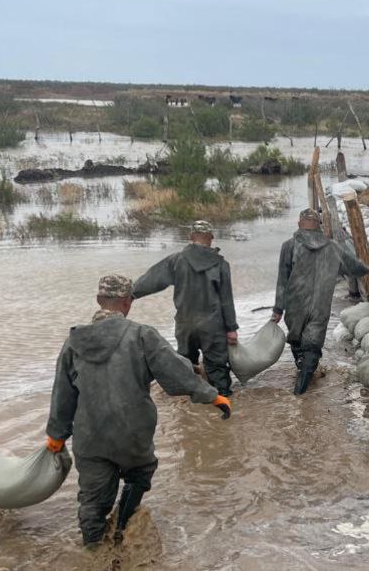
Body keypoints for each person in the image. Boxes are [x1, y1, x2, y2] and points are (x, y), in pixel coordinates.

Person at [45, 274, 233, 548]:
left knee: (93, 501)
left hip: (90, 439)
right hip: (132, 434)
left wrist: (56, 435)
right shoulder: (141, 335)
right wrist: (214, 396)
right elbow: (175, 370)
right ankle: (122, 525)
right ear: (128, 302)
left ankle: (94, 557)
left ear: (99, 300)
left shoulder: (74, 342)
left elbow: (62, 393)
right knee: (141, 472)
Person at [272, 207, 369, 395]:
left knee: (297, 340)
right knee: (313, 345)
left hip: (295, 305)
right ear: (318, 225)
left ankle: (301, 380)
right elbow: (354, 266)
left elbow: (282, 280)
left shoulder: (290, 245)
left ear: (299, 224)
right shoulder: (333, 247)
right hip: (320, 305)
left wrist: (278, 309)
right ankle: (302, 388)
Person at [132, 221, 238, 395]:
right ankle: (223, 402)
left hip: (185, 324)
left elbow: (153, 279)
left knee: (185, 364)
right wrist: (231, 329)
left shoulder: (176, 260)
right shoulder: (221, 264)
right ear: (211, 238)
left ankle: (189, 403)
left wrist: (131, 294)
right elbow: (227, 299)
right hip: (212, 325)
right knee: (217, 366)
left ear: (190, 237)